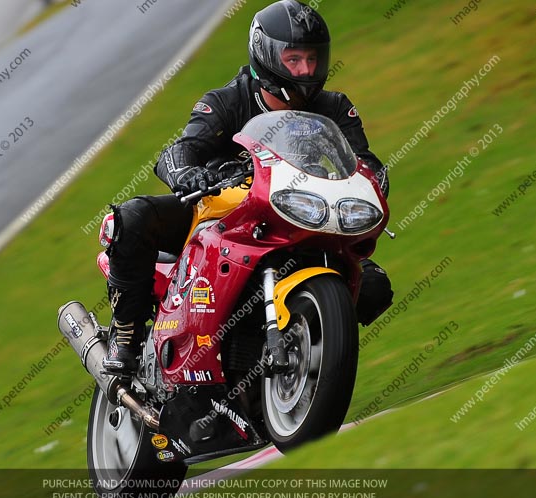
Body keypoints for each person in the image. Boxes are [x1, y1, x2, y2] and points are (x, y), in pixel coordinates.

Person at [102, 0, 392, 375]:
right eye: (294, 59)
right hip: (220, 210)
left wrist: (373, 180)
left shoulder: (335, 108)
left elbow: (364, 161)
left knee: (372, 287)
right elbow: (179, 150)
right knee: (132, 217)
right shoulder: (226, 101)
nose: (305, 70)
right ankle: (125, 336)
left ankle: (304, 347)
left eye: (312, 59)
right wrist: (187, 174)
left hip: (296, 212)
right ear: (267, 56)